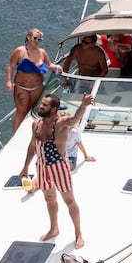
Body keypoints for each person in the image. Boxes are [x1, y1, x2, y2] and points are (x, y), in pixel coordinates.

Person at [20, 93, 93, 248]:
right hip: (41, 167)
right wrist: (25, 166)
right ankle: (54, 228)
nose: (41, 106)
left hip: (59, 167)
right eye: (41, 104)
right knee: (49, 199)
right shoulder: (36, 124)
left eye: (45, 105)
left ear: (53, 109)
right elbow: (33, 146)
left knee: (69, 201)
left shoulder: (61, 124)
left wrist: (84, 105)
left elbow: (75, 119)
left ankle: (78, 233)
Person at [6, 29, 63, 132]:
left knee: (33, 111)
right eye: (35, 38)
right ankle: (16, 136)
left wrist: (57, 68)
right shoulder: (20, 51)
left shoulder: (42, 52)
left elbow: (49, 65)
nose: (36, 41)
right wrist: (9, 81)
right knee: (21, 112)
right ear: (28, 37)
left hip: (37, 87)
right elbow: (10, 66)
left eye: (39, 39)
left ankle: (33, 132)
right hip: (21, 87)